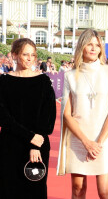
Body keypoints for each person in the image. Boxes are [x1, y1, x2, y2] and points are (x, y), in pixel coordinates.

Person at [57, 29, 108, 199]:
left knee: (104, 191)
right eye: (89, 44)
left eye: (97, 45)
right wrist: (86, 142)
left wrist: (98, 143)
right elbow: (67, 115)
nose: (94, 48)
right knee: (78, 189)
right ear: (82, 47)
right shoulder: (70, 76)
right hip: (78, 138)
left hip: (102, 139)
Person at [0, 38, 56, 199]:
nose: (30, 58)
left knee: (34, 191)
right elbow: (3, 117)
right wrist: (30, 137)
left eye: (33, 54)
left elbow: (48, 117)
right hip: (9, 146)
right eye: (25, 54)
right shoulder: (3, 82)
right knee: (7, 190)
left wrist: (35, 145)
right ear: (14, 55)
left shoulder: (43, 82)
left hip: (37, 147)